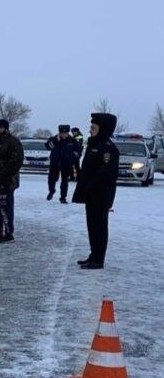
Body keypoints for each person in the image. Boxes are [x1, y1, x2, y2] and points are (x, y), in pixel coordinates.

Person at [72, 113, 119, 269]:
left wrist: (91, 187)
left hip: (100, 195)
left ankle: (98, 260)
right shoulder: (94, 145)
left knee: (99, 227)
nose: (90, 130)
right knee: (92, 227)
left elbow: (106, 173)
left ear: (102, 129)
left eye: (93, 128)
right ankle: (93, 255)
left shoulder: (107, 148)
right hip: (91, 194)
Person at [0, 118, 24, 242]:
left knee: (5, 208)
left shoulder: (13, 142)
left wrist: (3, 175)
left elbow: (16, 162)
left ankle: (8, 233)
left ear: (5, 128)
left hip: (7, 181)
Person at [45, 124, 81, 203]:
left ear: (68, 133)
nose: (64, 135)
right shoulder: (54, 139)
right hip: (55, 162)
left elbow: (78, 151)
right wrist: (55, 140)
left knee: (64, 181)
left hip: (66, 163)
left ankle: (63, 197)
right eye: (62, 133)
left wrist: (75, 156)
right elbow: (48, 147)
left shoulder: (72, 140)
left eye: (66, 133)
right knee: (52, 179)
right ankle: (51, 191)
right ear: (59, 132)